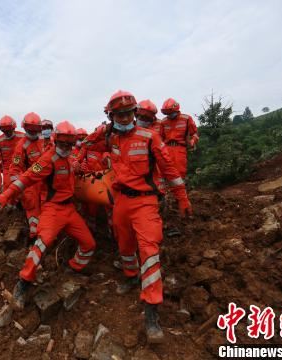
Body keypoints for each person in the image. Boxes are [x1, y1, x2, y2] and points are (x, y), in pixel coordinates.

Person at [79, 90, 192, 343]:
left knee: (149, 249)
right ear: (112, 116)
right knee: (124, 244)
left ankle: (152, 310)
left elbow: (170, 169)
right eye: (119, 114)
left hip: (145, 202)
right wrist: (102, 131)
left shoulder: (150, 137)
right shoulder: (110, 137)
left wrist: (182, 198)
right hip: (120, 201)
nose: (125, 117)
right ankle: (130, 276)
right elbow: (84, 145)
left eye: (129, 113)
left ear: (136, 112)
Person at [0, 121, 97, 310]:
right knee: (41, 244)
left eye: (69, 144)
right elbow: (26, 178)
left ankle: (72, 268)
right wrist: (4, 196)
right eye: (62, 144)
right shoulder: (47, 160)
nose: (65, 148)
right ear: (56, 141)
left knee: (89, 244)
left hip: (70, 209)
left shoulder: (70, 158)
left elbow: (77, 168)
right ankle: (23, 283)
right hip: (53, 210)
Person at [9, 112, 44, 240]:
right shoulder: (21, 146)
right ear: (25, 127)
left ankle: (47, 234)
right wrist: (19, 188)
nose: (33, 132)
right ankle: (34, 236)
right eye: (31, 129)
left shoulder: (45, 141)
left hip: (45, 181)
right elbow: (15, 169)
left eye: (36, 129)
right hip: (30, 184)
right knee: (32, 208)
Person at [158, 98, 199, 178]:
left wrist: (192, 141)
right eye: (167, 113)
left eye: (170, 112)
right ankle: (167, 190)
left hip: (180, 149)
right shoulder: (163, 121)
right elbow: (160, 138)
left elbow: (195, 133)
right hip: (166, 149)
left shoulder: (186, 119)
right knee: (164, 172)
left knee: (179, 172)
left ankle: (179, 189)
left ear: (176, 109)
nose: (169, 115)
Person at [0, 116, 25, 190]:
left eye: (8, 130)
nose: (7, 132)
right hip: (7, 169)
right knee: (8, 189)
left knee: (25, 190)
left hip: (22, 167)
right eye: (4, 130)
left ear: (13, 128)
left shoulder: (23, 136)